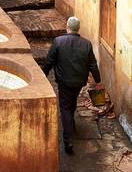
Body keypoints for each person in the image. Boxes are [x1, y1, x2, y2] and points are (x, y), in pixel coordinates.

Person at [42, 17, 103, 155]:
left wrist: (43, 76)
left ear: (67, 27)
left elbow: (49, 62)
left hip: (64, 82)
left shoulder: (58, 41)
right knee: (72, 101)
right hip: (79, 82)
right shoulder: (86, 44)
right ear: (78, 28)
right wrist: (98, 81)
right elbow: (92, 65)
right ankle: (71, 122)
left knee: (64, 108)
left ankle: (67, 139)